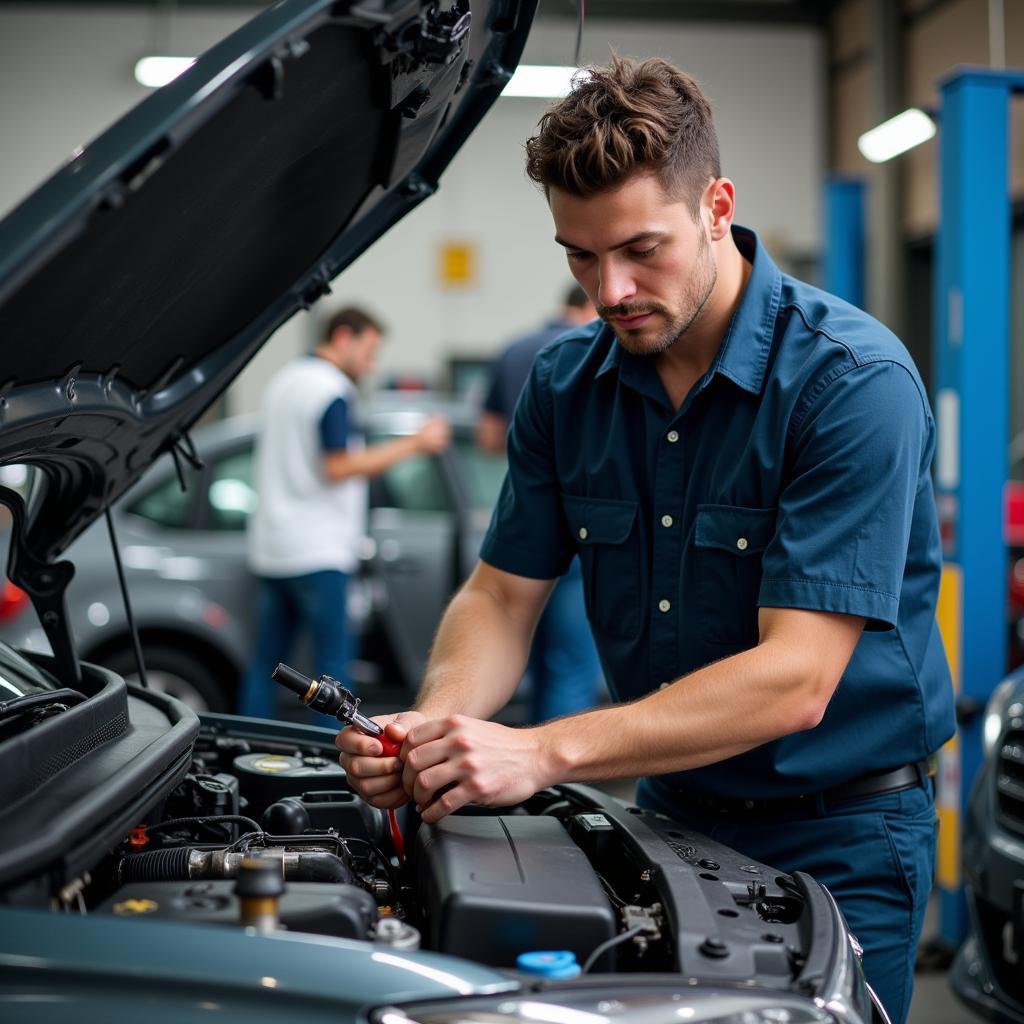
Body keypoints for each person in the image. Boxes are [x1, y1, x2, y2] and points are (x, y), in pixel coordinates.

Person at [337, 58, 955, 1024]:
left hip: (843, 832)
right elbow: (502, 595)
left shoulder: (850, 383)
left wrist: (541, 751)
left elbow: (796, 679)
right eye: (579, 257)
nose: (610, 290)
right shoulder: (564, 386)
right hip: (671, 818)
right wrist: (442, 728)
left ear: (717, 205)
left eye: (639, 249)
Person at [239, 306, 450, 720]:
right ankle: (331, 766)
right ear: (342, 338)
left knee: (266, 666)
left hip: (271, 547)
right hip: (319, 551)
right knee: (331, 679)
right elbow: (338, 466)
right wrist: (416, 444)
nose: (373, 363)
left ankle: (245, 748)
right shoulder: (331, 389)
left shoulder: (283, 382)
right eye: (369, 350)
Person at [477, 285, 603, 723]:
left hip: (524, 514)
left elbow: (490, 439)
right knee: (570, 663)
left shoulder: (512, 350)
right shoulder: (596, 351)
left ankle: (529, 758)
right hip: (582, 520)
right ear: (589, 304)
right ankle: (563, 784)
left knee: (524, 648)